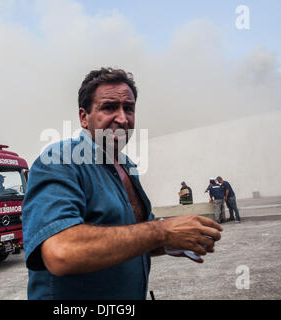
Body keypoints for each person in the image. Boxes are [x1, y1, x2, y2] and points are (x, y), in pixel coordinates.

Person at [22, 67, 223, 300]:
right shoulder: (59, 160)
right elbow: (61, 252)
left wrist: (172, 242)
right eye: (109, 107)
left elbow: (130, 234)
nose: (122, 118)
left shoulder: (126, 165)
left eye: (129, 108)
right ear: (83, 117)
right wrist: (162, 232)